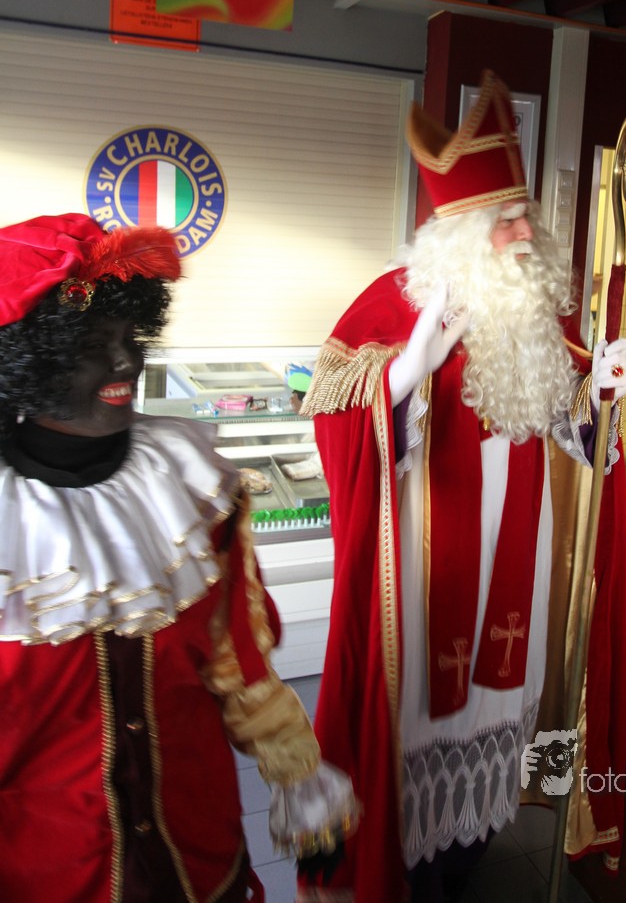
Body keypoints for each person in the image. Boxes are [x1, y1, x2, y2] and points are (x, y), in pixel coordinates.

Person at [297, 72, 626, 903]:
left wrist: (600, 402)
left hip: (517, 560)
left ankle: (472, 846)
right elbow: (340, 421)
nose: (525, 232)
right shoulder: (393, 302)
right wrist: (403, 373)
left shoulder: (540, 308)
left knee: (498, 712)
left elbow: (573, 434)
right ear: (459, 235)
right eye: (506, 220)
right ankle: (406, 859)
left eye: (524, 215)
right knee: (421, 717)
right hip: (427, 566)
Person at [0, 213, 358, 903]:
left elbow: (238, 659)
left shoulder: (193, 489)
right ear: (27, 361)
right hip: (48, 872)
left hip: (198, 852)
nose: (126, 362)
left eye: (130, 337)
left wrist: (299, 778)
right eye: (92, 345)